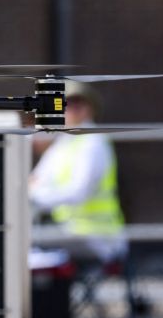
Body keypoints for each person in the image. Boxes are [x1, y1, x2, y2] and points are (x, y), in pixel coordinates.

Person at [29, 81, 126, 264]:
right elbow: (36, 179)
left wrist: (35, 197)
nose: (70, 109)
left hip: (97, 237)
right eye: (65, 104)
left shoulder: (94, 143)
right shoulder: (64, 142)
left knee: (23, 239)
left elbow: (78, 192)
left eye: (77, 104)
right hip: (69, 230)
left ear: (89, 108)